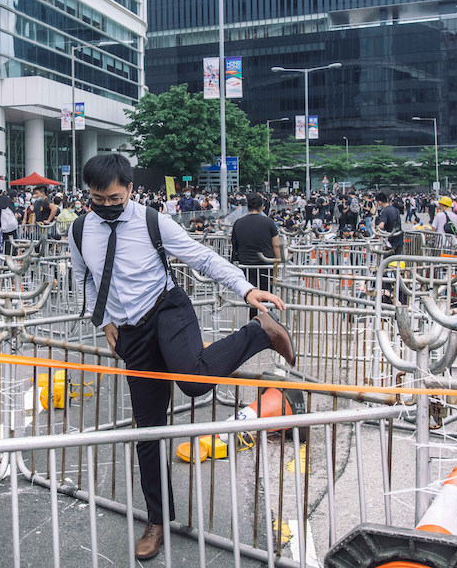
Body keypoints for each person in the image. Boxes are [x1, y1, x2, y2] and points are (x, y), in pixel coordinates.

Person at [69, 155, 291, 560]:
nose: (105, 205)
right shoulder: (81, 229)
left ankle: (259, 331)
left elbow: (202, 257)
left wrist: (246, 290)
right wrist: (103, 323)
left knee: (193, 381)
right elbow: (83, 276)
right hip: (130, 332)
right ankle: (157, 520)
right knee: (148, 431)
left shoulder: (153, 221)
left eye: (114, 198)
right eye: (97, 198)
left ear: (130, 190)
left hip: (168, 309)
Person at [230, 193, 280, 318]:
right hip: (265, 263)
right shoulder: (269, 222)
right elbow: (276, 245)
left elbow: (234, 245)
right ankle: (268, 320)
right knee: (267, 293)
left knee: (251, 293)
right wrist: (278, 262)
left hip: (245, 264)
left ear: (247, 206)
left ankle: (253, 321)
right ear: (262, 206)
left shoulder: (238, 223)